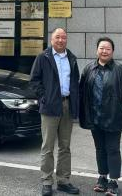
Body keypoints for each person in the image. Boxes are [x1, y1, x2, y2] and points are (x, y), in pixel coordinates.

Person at [79, 37, 122, 196]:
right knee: (100, 149)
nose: (104, 51)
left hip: (113, 117)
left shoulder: (120, 69)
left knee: (113, 149)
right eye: (101, 48)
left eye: (108, 49)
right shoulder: (89, 69)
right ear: (97, 50)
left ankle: (113, 181)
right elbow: (82, 91)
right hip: (95, 117)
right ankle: (102, 177)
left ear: (112, 51)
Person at [30, 27, 80, 196]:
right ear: (51, 40)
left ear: (66, 40)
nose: (60, 40)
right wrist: (44, 98)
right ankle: (46, 181)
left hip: (67, 105)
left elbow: (75, 81)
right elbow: (34, 80)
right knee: (48, 146)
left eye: (63, 37)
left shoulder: (71, 58)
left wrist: (75, 102)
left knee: (65, 146)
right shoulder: (43, 57)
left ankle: (63, 181)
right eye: (57, 37)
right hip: (50, 107)